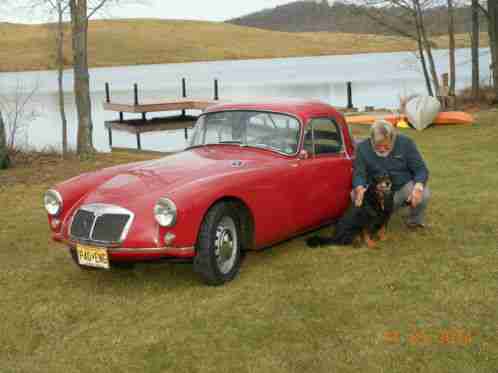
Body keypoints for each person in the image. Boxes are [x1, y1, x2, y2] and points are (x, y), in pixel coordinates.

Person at [353, 120, 430, 229]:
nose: (382, 149)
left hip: (401, 188)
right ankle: (369, 223)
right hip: (376, 192)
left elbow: (421, 169)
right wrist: (359, 188)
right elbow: (359, 173)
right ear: (371, 139)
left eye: (386, 145)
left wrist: (418, 187)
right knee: (354, 195)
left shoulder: (406, 143)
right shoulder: (362, 148)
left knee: (423, 194)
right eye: (377, 145)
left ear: (393, 138)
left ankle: (414, 221)